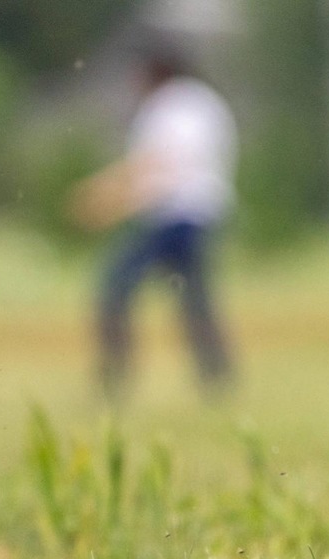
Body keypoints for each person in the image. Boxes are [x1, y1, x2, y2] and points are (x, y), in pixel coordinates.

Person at [70, 43, 238, 401]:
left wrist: (105, 199)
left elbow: (154, 167)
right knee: (195, 302)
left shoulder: (165, 108)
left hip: (172, 218)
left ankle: (114, 376)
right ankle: (218, 377)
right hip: (203, 216)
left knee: (115, 287)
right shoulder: (207, 104)